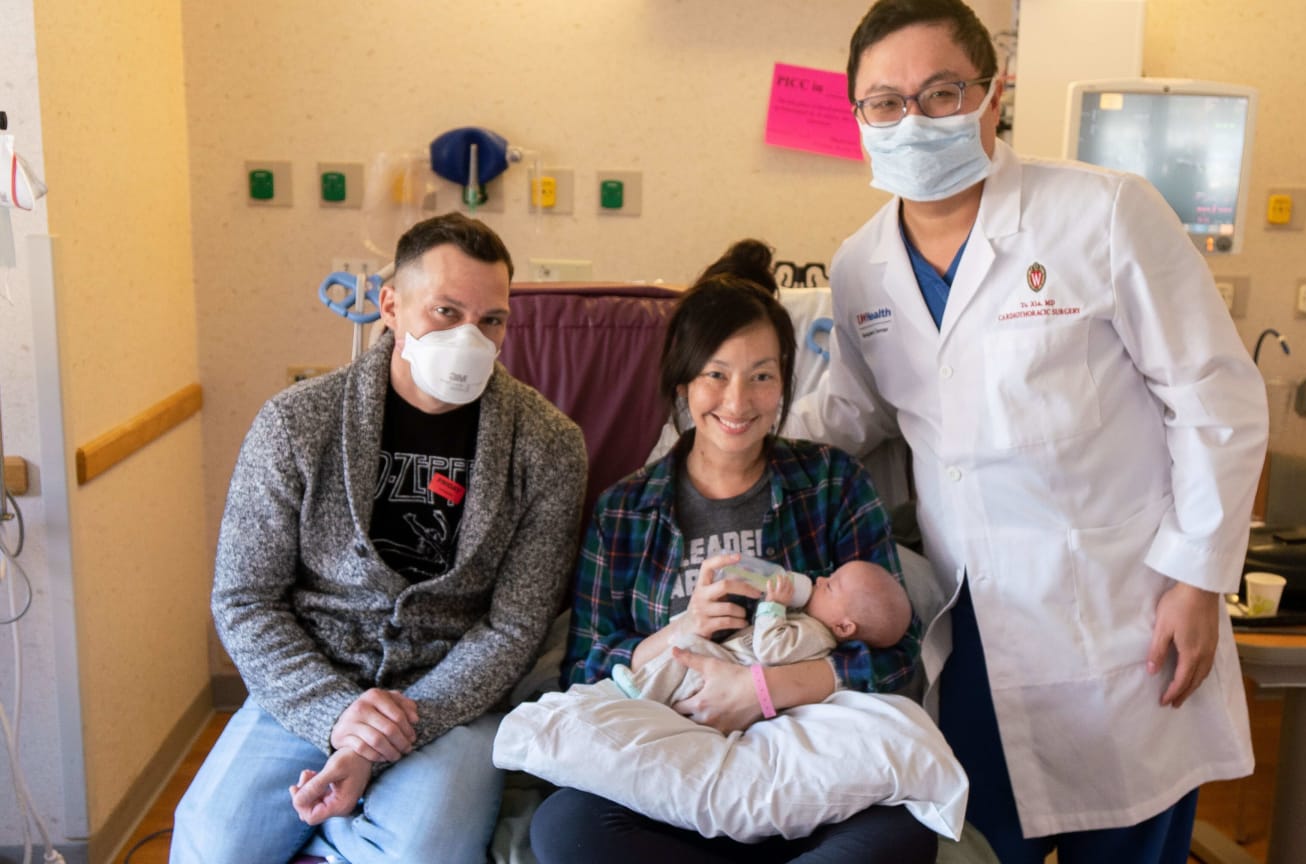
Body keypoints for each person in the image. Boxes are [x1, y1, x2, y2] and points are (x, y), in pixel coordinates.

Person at [784, 2, 1270, 862]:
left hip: (1128, 621)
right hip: (972, 630)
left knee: (1127, 838)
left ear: (991, 96)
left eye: (940, 92)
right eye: (885, 103)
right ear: (858, 117)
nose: (912, 119)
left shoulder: (1103, 213)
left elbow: (1216, 399)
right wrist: (715, 442)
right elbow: (850, 418)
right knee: (974, 844)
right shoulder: (863, 263)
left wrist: (1197, 581)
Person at [170, 213, 588, 864]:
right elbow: (245, 599)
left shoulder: (548, 447)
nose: (469, 339)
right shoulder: (296, 423)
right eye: (446, 311)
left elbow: (515, 627)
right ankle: (342, 821)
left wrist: (378, 737)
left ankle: (335, 823)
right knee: (214, 842)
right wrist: (335, 713)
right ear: (390, 305)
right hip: (311, 675)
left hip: (452, 695)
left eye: (491, 321)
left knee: (422, 850)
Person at [529, 241, 938, 863]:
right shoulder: (624, 510)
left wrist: (766, 690)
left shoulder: (831, 484)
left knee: (902, 833)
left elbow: (897, 652)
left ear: (785, 384)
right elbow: (584, 667)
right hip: (672, 767)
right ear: (682, 383)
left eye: (762, 376)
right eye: (715, 375)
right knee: (566, 829)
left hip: (806, 766)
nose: (738, 402)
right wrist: (680, 631)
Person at [612, 558, 913, 705]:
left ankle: (644, 691)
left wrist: (773, 606)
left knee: (689, 649)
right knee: (687, 642)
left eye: (830, 585)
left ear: (845, 627)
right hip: (726, 664)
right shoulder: (811, 623)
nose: (820, 579)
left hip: (730, 670)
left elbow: (771, 649)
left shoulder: (816, 636)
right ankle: (648, 683)